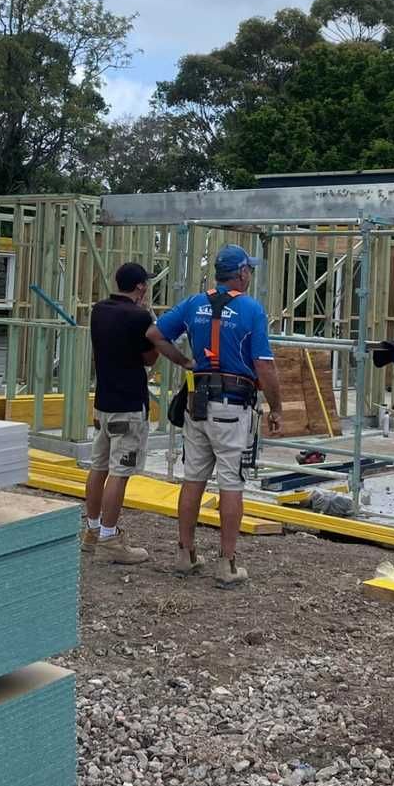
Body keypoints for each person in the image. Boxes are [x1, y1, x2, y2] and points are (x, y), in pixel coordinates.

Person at [146, 245, 283, 587]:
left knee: (193, 478)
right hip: (232, 407)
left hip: (197, 403)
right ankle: (228, 563)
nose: (249, 274)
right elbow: (264, 365)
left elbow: (155, 334)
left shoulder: (195, 303)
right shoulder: (251, 309)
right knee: (230, 482)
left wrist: (183, 361)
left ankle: (185, 554)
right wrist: (276, 407)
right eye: (248, 269)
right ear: (241, 273)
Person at [85, 262, 187, 564]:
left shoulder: (99, 310)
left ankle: (91, 532)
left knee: (98, 466)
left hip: (103, 402)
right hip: (129, 406)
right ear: (141, 287)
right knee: (120, 472)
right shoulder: (138, 316)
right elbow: (148, 357)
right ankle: (109, 539)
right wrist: (179, 356)